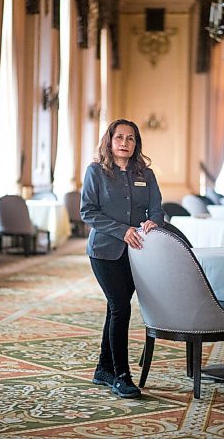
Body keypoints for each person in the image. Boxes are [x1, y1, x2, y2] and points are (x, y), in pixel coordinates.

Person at [80, 118, 164, 398]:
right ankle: (121, 376)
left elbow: (156, 209)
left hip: (138, 252)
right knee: (120, 308)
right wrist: (122, 230)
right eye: (120, 138)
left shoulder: (146, 173)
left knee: (116, 308)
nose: (125, 143)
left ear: (136, 143)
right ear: (110, 141)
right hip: (104, 252)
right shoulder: (96, 172)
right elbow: (88, 212)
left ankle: (103, 369)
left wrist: (154, 222)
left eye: (131, 138)